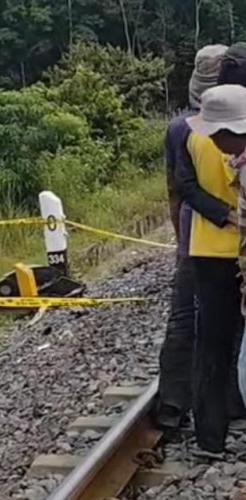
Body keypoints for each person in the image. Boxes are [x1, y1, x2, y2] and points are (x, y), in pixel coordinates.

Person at [155, 44, 234, 430]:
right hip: (228, 236)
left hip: (195, 236)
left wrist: (179, 240)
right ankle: (230, 401)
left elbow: (177, 191)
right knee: (226, 324)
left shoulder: (179, 128)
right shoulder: (230, 126)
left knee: (187, 317)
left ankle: (172, 401)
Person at [182, 83, 244, 459]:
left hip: (208, 248)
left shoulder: (185, 133)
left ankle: (209, 436)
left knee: (212, 344)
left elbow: (185, 189)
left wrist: (222, 216)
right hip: (239, 250)